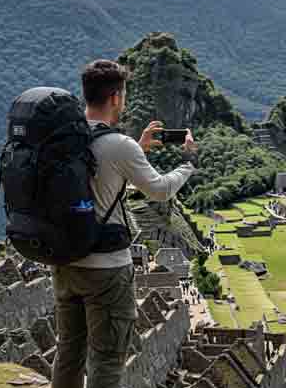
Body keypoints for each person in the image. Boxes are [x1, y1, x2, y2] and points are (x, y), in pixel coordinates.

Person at [51, 59, 197, 388]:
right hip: (106, 270)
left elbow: (101, 184)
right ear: (116, 97)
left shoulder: (66, 138)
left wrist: (139, 149)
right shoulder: (119, 146)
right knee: (106, 357)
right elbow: (160, 191)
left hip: (64, 261)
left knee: (69, 352)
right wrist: (187, 164)